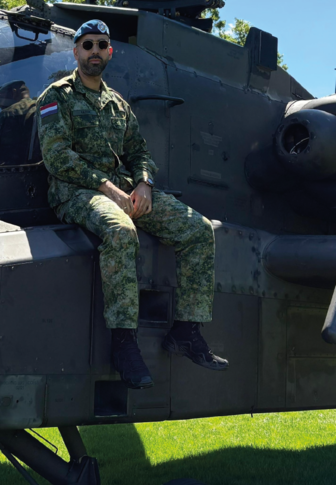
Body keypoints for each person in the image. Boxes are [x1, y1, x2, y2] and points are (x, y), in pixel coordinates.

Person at [35, 20, 227, 389]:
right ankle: (124, 344)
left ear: (110, 52)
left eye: (101, 45)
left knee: (198, 230)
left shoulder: (118, 104)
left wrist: (144, 183)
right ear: (75, 52)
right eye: (87, 45)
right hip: (75, 191)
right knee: (121, 230)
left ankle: (187, 331)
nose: (94, 51)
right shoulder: (57, 96)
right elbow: (57, 157)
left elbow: (139, 152)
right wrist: (108, 188)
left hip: (123, 188)